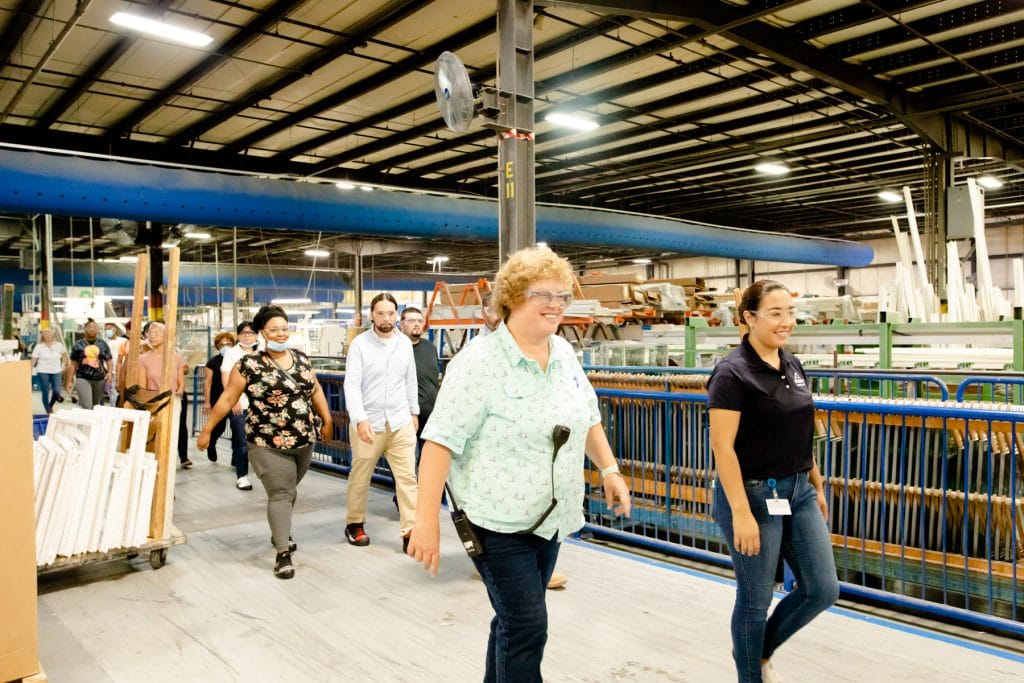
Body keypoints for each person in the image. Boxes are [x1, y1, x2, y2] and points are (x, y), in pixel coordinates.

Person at [407, 246, 632, 682]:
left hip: (550, 518)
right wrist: (425, 521)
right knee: (528, 625)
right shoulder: (479, 362)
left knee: (514, 621)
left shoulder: (563, 354)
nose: (555, 305)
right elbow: (439, 444)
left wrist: (609, 470)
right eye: (542, 294)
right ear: (511, 298)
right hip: (497, 522)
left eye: (562, 296)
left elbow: (587, 417)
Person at [707, 280, 839, 683]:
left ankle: (758, 651)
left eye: (791, 312)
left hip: (798, 490)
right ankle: (750, 673)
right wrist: (741, 513)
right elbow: (723, 448)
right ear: (749, 318)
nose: (786, 322)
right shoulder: (732, 373)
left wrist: (816, 483)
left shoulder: (791, 363)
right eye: (776, 313)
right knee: (755, 599)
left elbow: (800, 429)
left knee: (822, 588)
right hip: (752, 494)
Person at [196, 305, 333, 580]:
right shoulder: (248, 365)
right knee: (280, 492)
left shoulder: (302, 359)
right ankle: (283, 552)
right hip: (266, 441)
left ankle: (279, 530)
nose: (281, 334)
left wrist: (327, 420)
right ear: (262, 332)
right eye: (274, 330)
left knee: (289, 490)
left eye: (284, 329)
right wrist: (208, 429)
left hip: (303, 439)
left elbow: (315, 389)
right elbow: (228, 398)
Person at [343, 292, 420, 550]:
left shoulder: (404, 344)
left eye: (390, 313)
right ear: (372, 315)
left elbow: (410, 380)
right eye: (380, 313)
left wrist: (414, 412)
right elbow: (352, 385)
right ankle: (354, 523)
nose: (386, 318)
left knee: (407, 478)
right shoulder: (360, 345)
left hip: (400, 421)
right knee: (360, 476)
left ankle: (410, 531)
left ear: (396, 314)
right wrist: (359, 419)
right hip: (369, 424)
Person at [136, 322, 190, 468]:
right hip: (154, 403)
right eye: (150, 333)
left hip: (174, 401)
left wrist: (177, 396)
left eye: (156, 333)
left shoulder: (176, 357)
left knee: (176, 431)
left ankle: (178, 461)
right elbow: (142, 387)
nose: (152, 336)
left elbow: (181, 382)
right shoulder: (143, 359)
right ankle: (155, 465)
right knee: (157, 435)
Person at [202, 331, 252, 489]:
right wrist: (207, 402)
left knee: (238, 431)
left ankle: (235, 459)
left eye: (228, 343)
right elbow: (207, 383)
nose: (225, 346)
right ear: (217, 346)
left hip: (235, 399)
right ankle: (212, 443)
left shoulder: (238, 359)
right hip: (219, 398)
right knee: (220, 427)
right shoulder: (213, 362)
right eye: (222, 344)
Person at [215, 321, 258, 490]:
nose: (247, 335)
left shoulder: (262, 351)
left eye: (251, 332)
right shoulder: (231, 354)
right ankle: (242, 476)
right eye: (243, 332)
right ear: (238, 335)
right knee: (241, 441)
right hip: (240, 404)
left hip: (260, 405)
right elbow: (226, 378)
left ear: (256, 335)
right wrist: (234, 400)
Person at [399, 306, 439, 448]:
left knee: (428, 456)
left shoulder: (430, 348)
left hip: (431, 416)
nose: (417, 324)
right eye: (411, 321)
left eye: (420, 321)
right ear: (402, 324)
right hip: (406, 417)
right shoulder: (396, 349)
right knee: (407, 456)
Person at [67, 318, 112, 409]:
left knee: (96, 406)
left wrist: (110, 372)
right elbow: (73, 364)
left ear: (97, 329)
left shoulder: (102, 344)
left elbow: (109, 359)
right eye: (89, 327)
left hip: (99, 379)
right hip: (83, 378)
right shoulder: (78, 345)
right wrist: (69, 381)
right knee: (87, 405)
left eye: (94, 327)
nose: (92, 329)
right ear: (85, 329)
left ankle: (94, 419)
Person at [32, 328, 68, 413]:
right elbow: (33, 360)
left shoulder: (58, 345)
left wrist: (65, 365)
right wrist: (28, 370)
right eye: (46, 334)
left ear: (53, 335)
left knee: (56, 392)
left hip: (56, 371)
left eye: (49, 334)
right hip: (42, 371)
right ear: (43, 336)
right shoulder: (39, 347)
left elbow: (64, 355)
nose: (48, 336)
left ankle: (50, 405)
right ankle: (48, 411)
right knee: (45, 391)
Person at [103, 322, 127, 405]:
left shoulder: (123, 341)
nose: (108, 331)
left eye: (109, 328)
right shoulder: (104, 343)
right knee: (112, 396)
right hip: (110, 374)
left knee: (122, 396)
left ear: (115, 329)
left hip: (122, 373)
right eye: (106, 329)